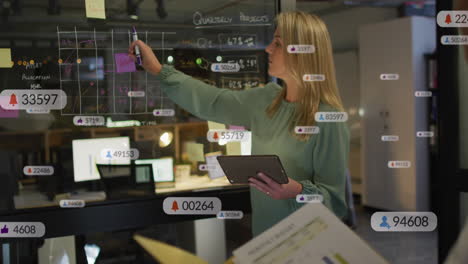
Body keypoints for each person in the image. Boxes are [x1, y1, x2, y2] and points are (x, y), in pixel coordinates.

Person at [128, 11, 350, 236]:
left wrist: (298, 191)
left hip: (305, 245)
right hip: (265, 241)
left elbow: (335, 203)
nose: (268, 49)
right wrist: (157, 69)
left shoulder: (328, 119)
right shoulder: (267, 99)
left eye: (278, 44)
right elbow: (212, 101)